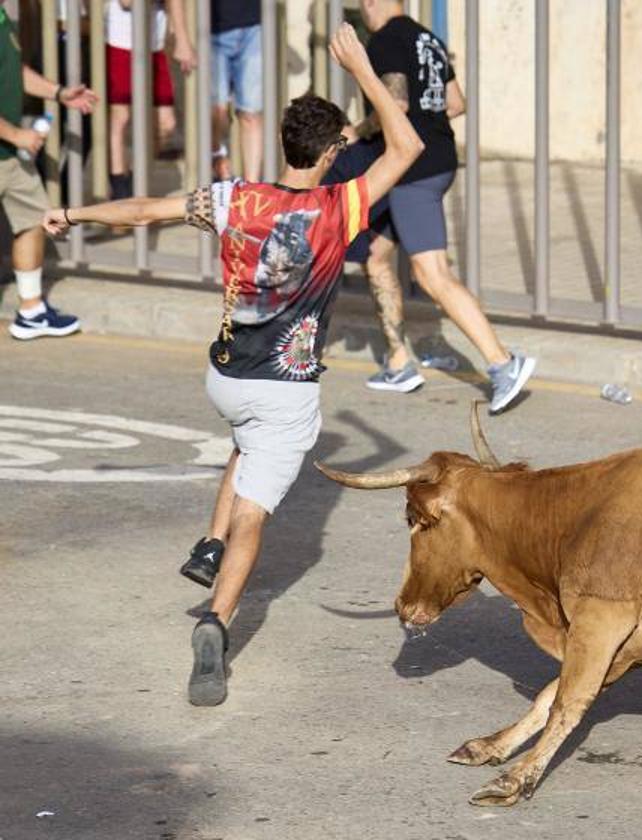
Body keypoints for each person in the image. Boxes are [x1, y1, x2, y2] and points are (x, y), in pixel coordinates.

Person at [42, 23, 424, 706]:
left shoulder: (232, 198)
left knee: (244, 443)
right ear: (333, 152)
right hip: (286, 392)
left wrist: (71, 213)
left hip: (224, 379)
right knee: (257, 513)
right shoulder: (342, 206)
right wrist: (363, 67)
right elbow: (409, 144)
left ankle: (208, 545)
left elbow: (141, 212)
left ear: (283, 145)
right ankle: (217, 621)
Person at [328, 0, 535, 413]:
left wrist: (357, 129)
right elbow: (456, 103)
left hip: (413, 171)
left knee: (431, 273)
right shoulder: (429, 39)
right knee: (376, 256)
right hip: (438, 161)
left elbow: (396, 105)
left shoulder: (386, 40)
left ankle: (503, 364)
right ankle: (400, 362)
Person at [1, 0, 96, 340]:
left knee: (32, 220)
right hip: (10, 142)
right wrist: (17, 135)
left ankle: (31, 310)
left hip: (8, 154)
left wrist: (59, 93)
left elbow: (15, 69)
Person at [105, 0, 196, 200]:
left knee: (167, 123)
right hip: (121, 41)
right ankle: (119, 183)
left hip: (154, 46)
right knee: (120, 117)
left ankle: (138, 178)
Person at [210, 0, 262, 181]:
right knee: (218, 111)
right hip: (212, 29)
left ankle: (252, 186)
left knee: (250, 113)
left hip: (254, 26)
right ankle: (217, 156)